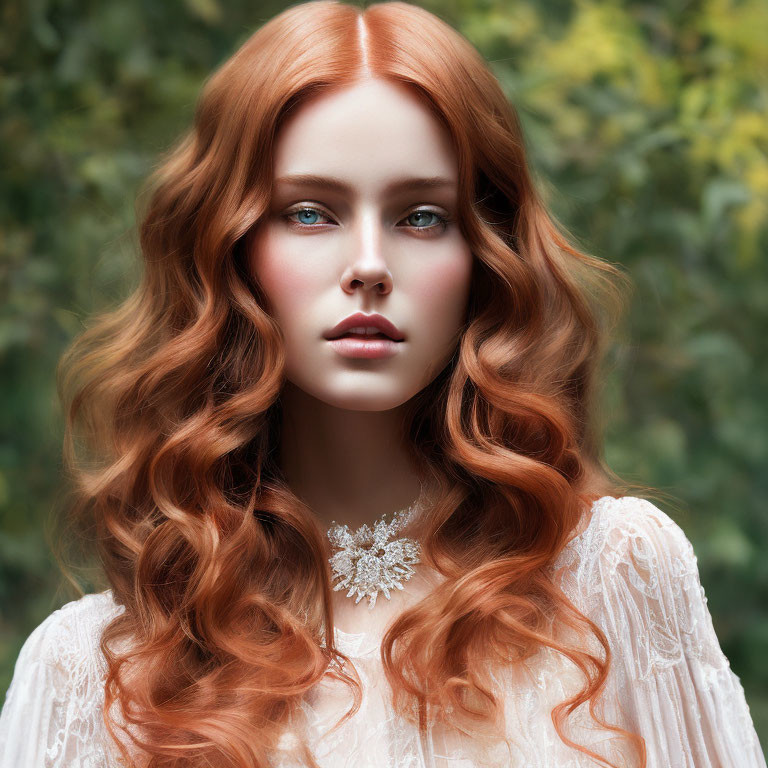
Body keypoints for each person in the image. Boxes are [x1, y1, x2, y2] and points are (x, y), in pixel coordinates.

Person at [0, 1, 764, 766]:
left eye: (423, 216)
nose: (368, 264)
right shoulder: (89, 678)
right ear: (227, 248)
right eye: (309, 212)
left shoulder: (614, 580)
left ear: (485, 255)